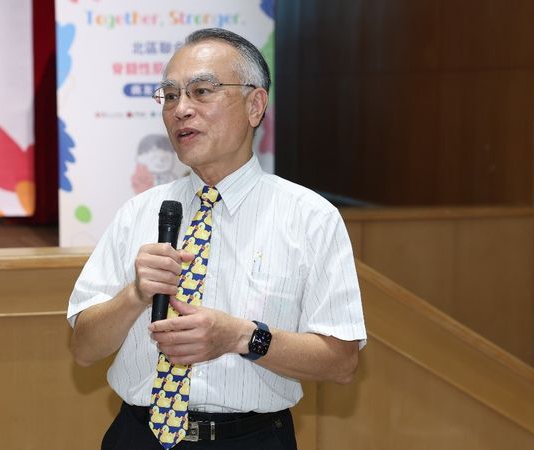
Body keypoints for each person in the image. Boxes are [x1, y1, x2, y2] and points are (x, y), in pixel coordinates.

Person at [68, 28, 366, 450]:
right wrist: (134, 294)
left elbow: (342, 362)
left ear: (255, 105)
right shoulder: (139, 212)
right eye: (170, 96)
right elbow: (83, 349)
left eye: (202, 91)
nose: (181, 110)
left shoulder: (310, 218)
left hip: (251, 440)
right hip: (137, 436)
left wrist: (241, 336)